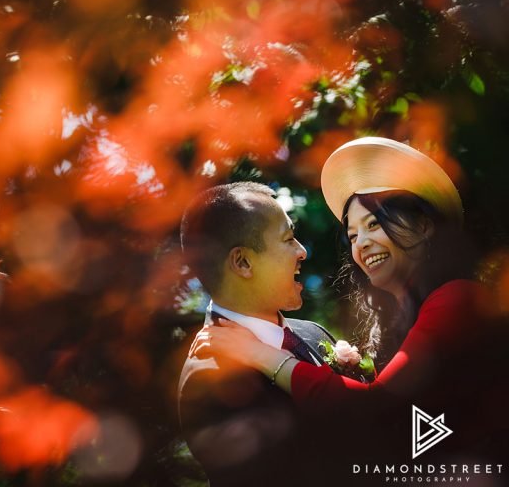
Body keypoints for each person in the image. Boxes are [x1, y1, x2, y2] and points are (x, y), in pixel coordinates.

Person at [199, 137, 506, 464]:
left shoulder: (458, 299)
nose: (362, 244)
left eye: (374, 224)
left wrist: (262, 355)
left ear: (424, 226)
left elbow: (377, 409)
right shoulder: (404, 319)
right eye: (353, 235)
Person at [177, 181, 335, 487]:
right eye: (288, 239)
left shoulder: (314, 333)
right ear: (243, 262)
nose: (302, 251)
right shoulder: (211, 379)